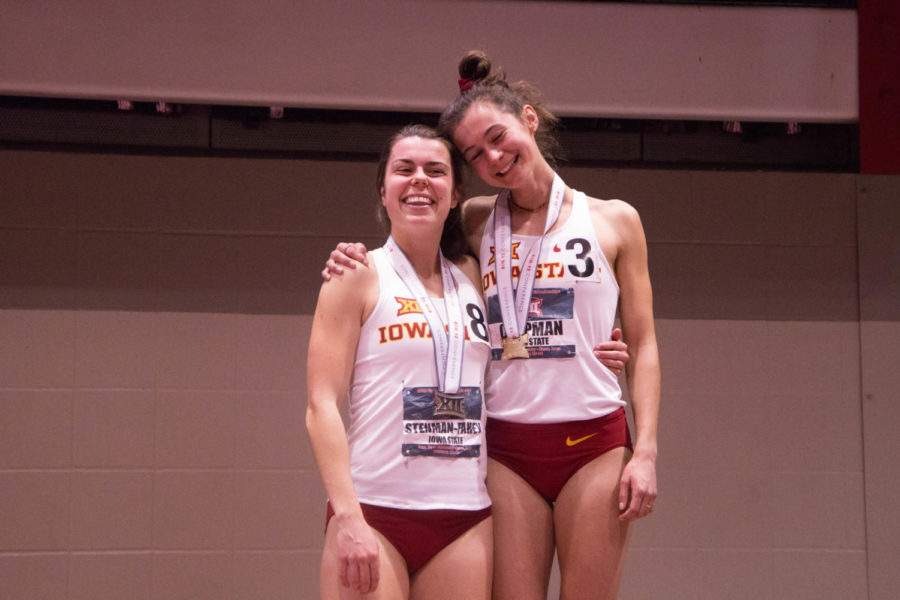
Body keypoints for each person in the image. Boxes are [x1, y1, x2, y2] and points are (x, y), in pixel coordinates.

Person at [324, 50, 659, 600]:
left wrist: (645, 451)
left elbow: (643, 345)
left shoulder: (616, 219)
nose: (495, 159)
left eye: (499, 137)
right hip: (506, 447)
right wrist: (350, 256)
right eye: (475, 155)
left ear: (529, 118)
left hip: (594, 440)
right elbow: (413, 243)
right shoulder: (476, 221)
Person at [306, 124, 493, 600]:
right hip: (374, 512)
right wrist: (348, 517)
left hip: (464, 517)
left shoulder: (474, 276)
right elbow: (321, 403)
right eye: (403, 170)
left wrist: (604, 353)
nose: (419, 180)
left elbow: (527, 347)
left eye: (435, 171)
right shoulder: (356, 274)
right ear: (383, 192)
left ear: (454, 197)